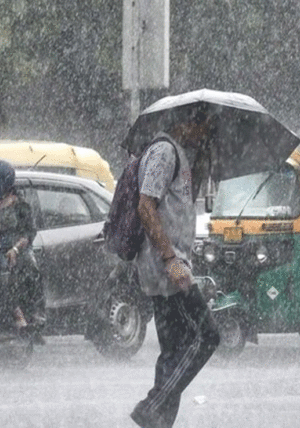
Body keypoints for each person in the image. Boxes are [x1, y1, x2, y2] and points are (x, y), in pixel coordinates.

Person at [130, 105, 221, 428]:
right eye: (204, 126)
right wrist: (171, 260)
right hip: (167, 268)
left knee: (174, 352)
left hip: (172, 265)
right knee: (206, 335)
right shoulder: (165, 151)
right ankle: (152, 406)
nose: (206, 134)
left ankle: (159, 421)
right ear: (186, 122)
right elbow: (146, 206)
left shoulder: (181, 155)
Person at [0, 160, 45, 333]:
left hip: (17, 249)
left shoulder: (21, 205)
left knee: (32, 269)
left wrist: (16, 249)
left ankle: (37, 314)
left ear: (4, 182)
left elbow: (28, 233)